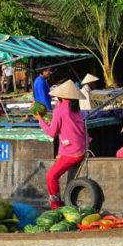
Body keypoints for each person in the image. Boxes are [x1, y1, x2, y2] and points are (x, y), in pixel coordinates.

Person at [37, 81, 88, 209]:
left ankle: (56, 206)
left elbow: (52, 133)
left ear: (60, 97)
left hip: (72, 153)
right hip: (81, 148)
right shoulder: (75, 108)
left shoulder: (60, 109)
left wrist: (40, 120)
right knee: (54, 172)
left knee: (51, 176)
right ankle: (57, 204)